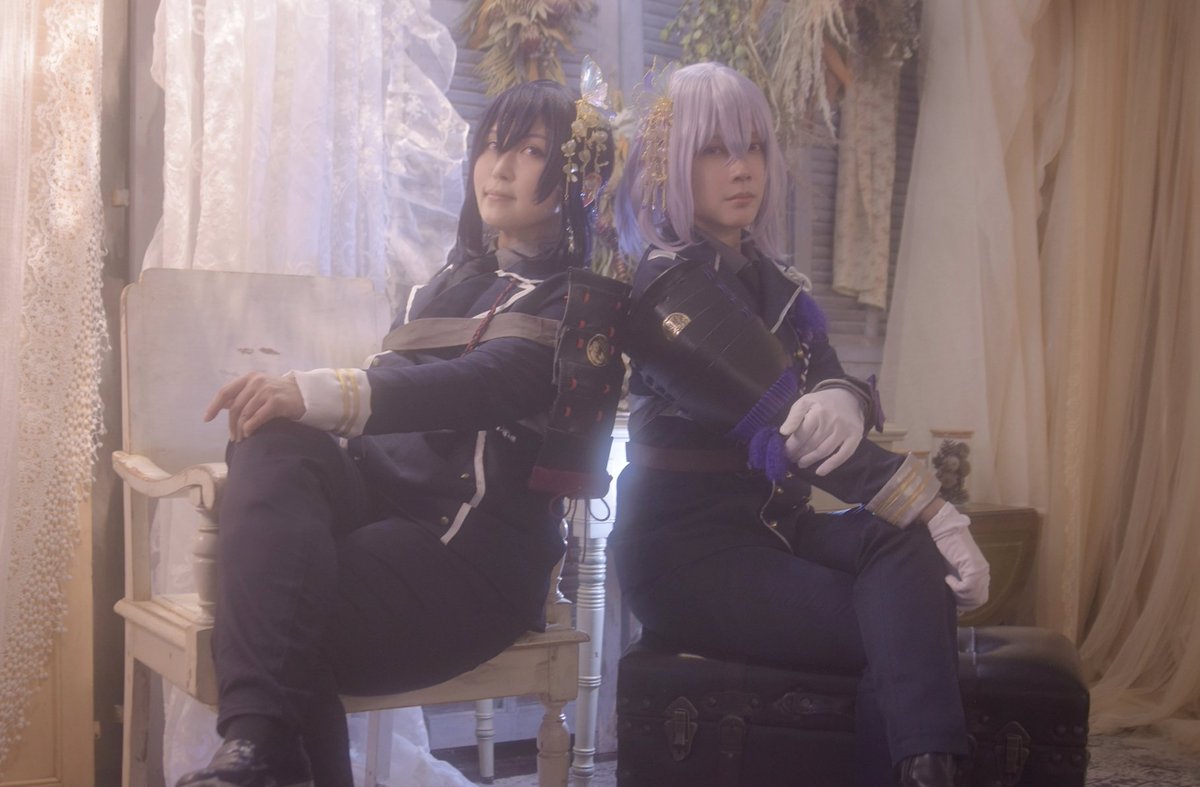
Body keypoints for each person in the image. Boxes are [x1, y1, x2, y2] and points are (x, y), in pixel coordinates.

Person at [180, 79, 620, 787]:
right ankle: (258, 751)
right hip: (385, 509)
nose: (500, 167)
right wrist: (296, 408)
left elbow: (473, 384)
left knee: (283, 613)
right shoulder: (442, 285)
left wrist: (313, 389)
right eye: (491, 146)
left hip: (472, 558)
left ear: (578, 176)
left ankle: (255, 747)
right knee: (271, 438)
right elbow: (386, 398)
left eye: (532, 151)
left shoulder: (580, 304)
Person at [611, 62, 989, 787]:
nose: (742, 168)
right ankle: (926, 772)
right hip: (690, 556)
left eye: (753, 147)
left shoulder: (774, 283)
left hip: (776, 531)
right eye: (714, 150)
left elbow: (831, 379)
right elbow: (789, 419)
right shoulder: (667, 289)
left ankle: (922, 771)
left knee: (902, 553)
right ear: (667, 162)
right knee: (905, 625)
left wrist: (844, 395)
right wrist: (937, 509)